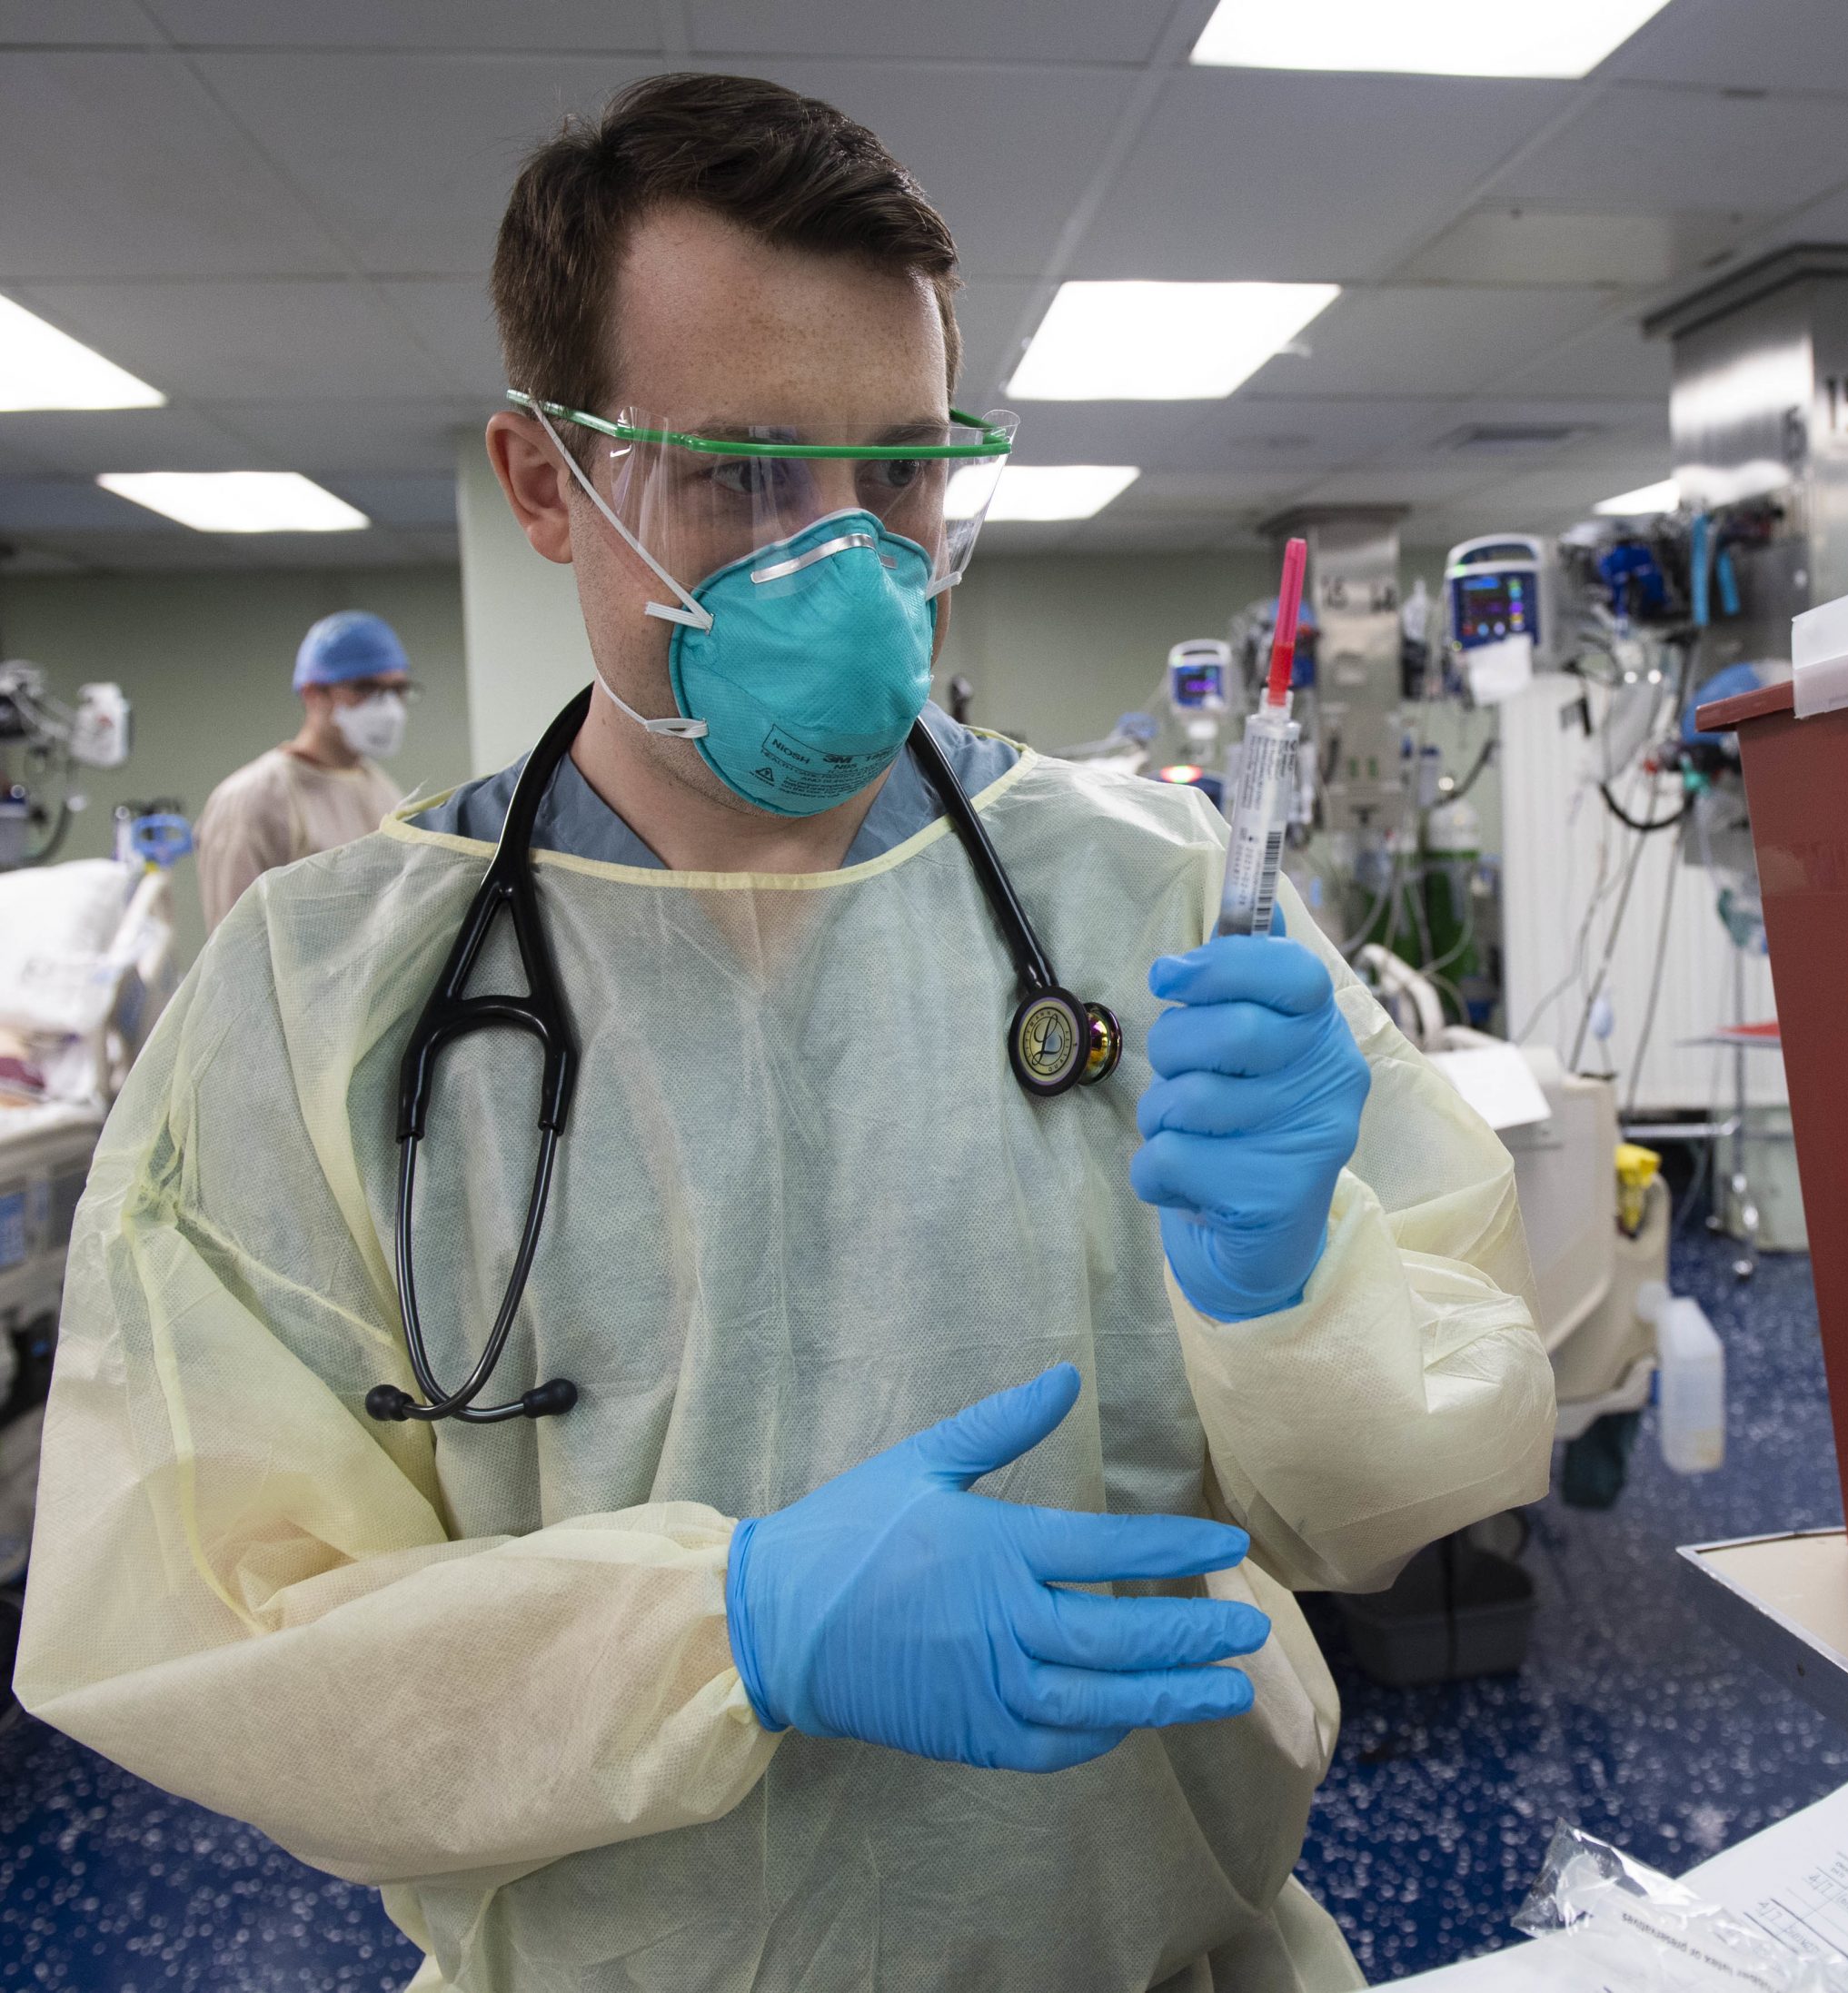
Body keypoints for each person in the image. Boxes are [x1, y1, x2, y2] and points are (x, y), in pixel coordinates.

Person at [15, 74, 1555, 1993]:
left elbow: (1422, 1472)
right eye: (741, 471)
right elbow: (212, 1634)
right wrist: (726, 1625)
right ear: (539, 478)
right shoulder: (318, 993)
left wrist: (1287, 1289)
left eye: (899, 474)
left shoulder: (1159, 898)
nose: (840, 561)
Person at [194, 610, 411, 928]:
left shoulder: (383, 791)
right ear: (313, 693)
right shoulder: (253, 798)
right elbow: (233, 944)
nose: (388, 707)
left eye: (398, 690)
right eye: (365, 688)